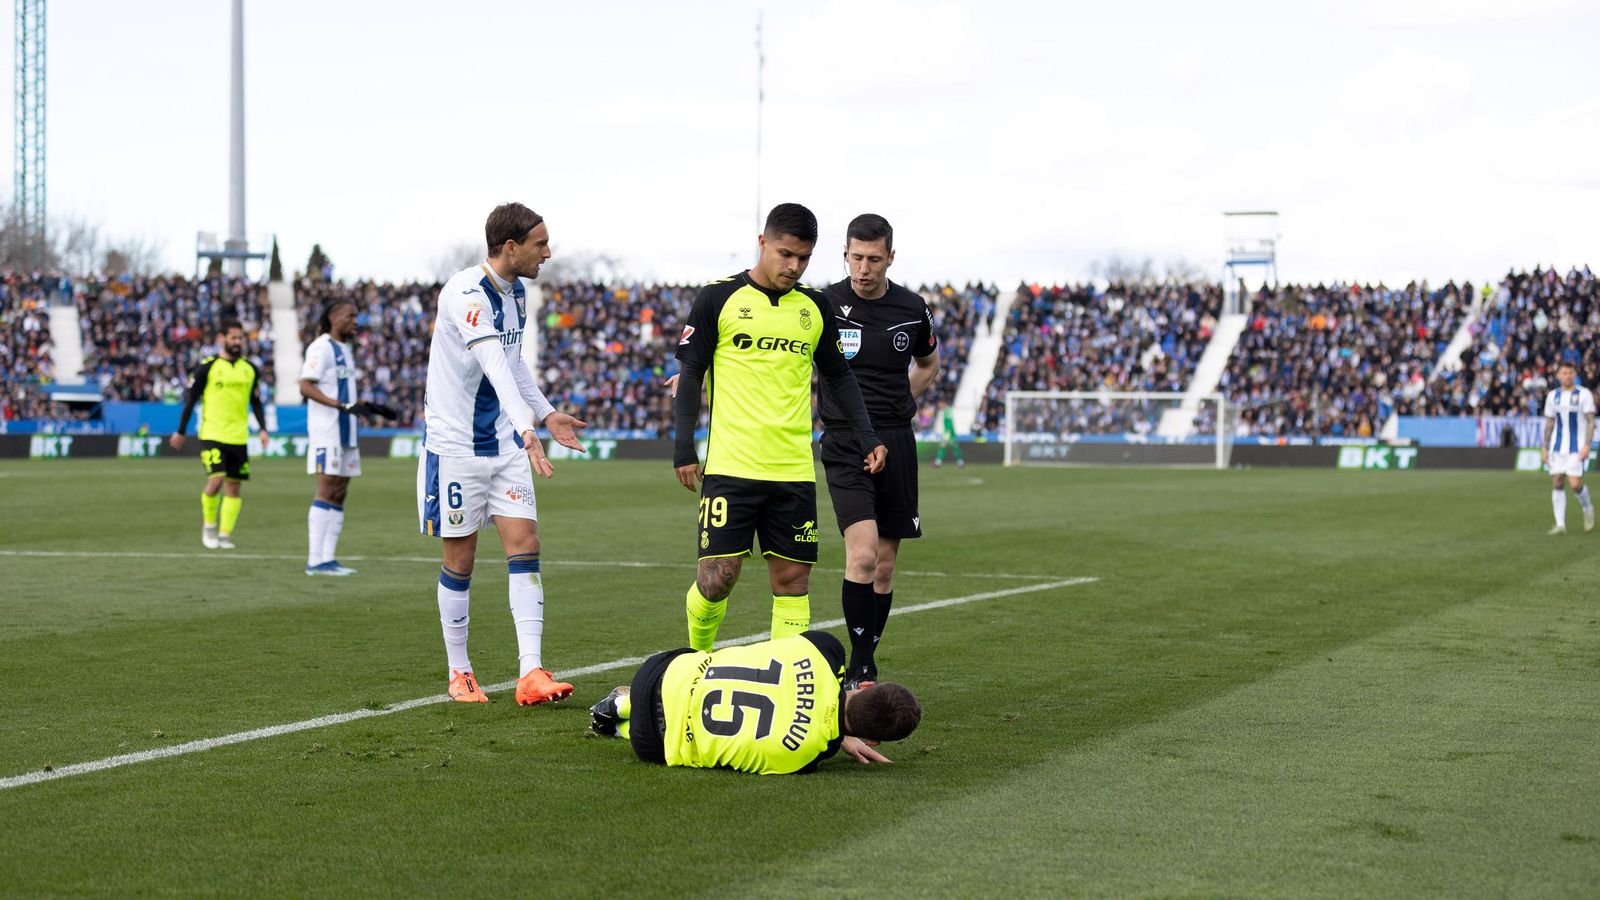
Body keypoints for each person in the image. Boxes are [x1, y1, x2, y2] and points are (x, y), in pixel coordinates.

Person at [672, 203, 886, 653]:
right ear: (763, 243)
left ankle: (784, 682)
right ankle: (696, 659)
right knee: (717, 578)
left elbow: (839, 376)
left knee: (792, 580)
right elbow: (691, 374)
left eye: (804, 258)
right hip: (732, 466)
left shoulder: (815, 306)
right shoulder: (718, 298)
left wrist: (869, 436)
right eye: (786, 254)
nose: (794, 266)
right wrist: (683, 448)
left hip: (792, 469)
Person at [418, 202, 588, 705]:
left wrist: (546, 412)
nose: (548, 252)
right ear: (510, 247)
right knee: (461, 559)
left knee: (525, 545)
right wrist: (527, 427)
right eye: (540, 243)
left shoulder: (516, 293)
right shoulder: (464, 292)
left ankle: (531, 673)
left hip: (505, 443)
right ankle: (459, 671)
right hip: (454, 448)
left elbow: (513, 366)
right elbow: (490, 359)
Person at [820, 214, 939, 688]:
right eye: (855, 258)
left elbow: (928, 364)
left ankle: (864, 658)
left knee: (885, 567)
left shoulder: (912, 308)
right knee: (864, 557)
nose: (863, 269)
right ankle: (862, 669)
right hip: (845, 440)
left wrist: (897, 406)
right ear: (845, 254)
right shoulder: (823, 303)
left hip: (895, 439)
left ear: (891, 257)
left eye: (873, 259)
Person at [587, 631, 922, 774]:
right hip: (654, 746)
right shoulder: (807, 757)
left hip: (659, 674)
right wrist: (837, 734)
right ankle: (623, 726)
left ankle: (623, 704)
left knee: (699, 669)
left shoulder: (826, 650)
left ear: (862, 686)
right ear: (872, 739)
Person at [299, 299, 397, 576]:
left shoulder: (344, 349)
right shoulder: (321, 347)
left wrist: (364, 405)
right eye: (350, 316)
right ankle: (315, 560)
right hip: (327, 431)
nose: (356, 321)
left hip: (347, 431)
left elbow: (340, 391)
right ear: (334, 317)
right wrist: (341, 406)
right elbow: (306, 386)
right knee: (326, 487)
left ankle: (328, 559)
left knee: (340, 491)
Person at [169, 319, 270, 550]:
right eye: (233, 337)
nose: (237, 342)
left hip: (238, 436)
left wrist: (263, 429)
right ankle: (209, 525)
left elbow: (256, 402)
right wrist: (181, 430)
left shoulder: (250, 369)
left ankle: (225, 534)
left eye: (240, 338)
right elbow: (191, 400)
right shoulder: (207, 367)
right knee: (216, 480)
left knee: (234, 487)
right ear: (222, 338)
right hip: (212, 433)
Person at [1541, 360, 1595, 535]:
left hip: (1576, 446)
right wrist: (1544, 447)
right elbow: (1549, 422)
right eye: (1564, 373)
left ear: (1575, 374)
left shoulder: (1584, 394)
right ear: (1558, 375)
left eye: (1570, 373)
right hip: (1557, 447)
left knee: (1574, 483)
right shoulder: (1552, 396)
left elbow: (1591, 421)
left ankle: (1587, 509)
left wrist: (1587, 445)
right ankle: (1560, 524)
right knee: (1557, 480)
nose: (1567, 376)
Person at [932, 399, 964, 467]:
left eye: (939, 404)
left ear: (943, 403)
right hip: (949, 433)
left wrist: (948, 433)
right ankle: (960, 462)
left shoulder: (947, 411)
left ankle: (938, 462)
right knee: (954, 447)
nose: (939, 406)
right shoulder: (946, 411)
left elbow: (949, 423)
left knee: (944, 447)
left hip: (948, 433)